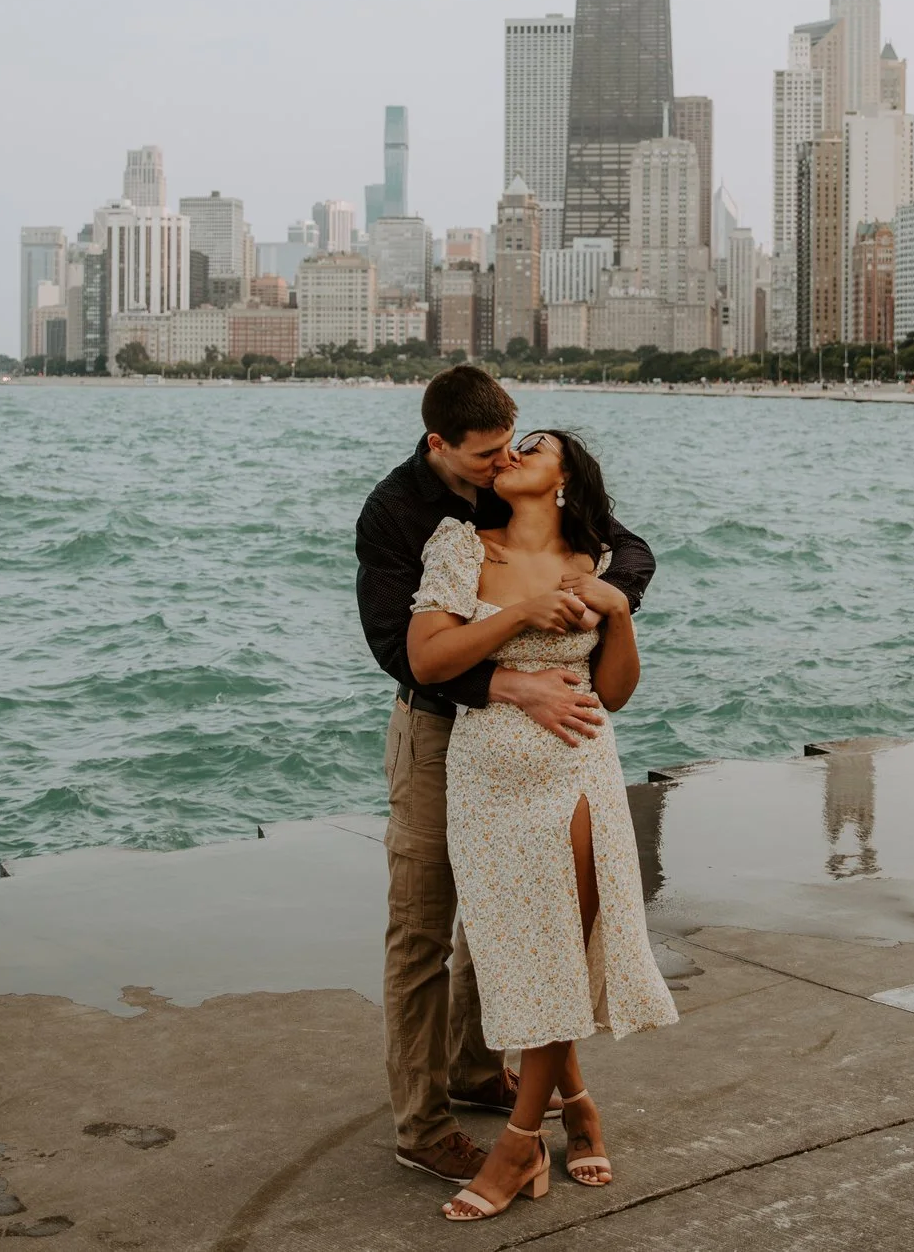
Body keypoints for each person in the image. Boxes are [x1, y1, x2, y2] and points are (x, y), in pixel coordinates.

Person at [352, 368, 656, 1187]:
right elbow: (397, 650)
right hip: (438, 728)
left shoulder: (522, 491)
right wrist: (508, 681)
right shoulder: (399, 514)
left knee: (502, 923)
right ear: (438, 445)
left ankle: (477, 1065)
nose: (501, 464)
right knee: (423, 928)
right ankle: (422, 1123)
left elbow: (627, 547)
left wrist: (604, 599)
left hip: (549, 750)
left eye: (514, 446)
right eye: (486, 455)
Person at [407, 426, 678, 1221]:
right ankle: (581, 1104)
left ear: (565, 478)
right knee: (516, 951)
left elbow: (618, 689)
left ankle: (520, 1143)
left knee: (566, 940)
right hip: (488, 771)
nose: (516, 452)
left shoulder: (592, 560)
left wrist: (617, 613)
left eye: (537, 445)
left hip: (580, 763)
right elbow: (430, 659)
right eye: (511, 445)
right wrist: (521, 612)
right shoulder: (462, 545)